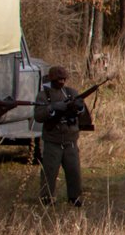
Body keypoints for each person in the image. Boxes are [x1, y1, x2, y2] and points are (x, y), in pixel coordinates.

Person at [33, 64, 87, 207]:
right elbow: (38, 116)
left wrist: (80, 108)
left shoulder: (71, 92)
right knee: (49, 172)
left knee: (74, 171)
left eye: (64, 79)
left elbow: (83, 115)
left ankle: (75, 198)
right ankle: (46, 198)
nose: (62, 82)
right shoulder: (43, 95)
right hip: (52, 140)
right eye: (58, 79)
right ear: (51, 79)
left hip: (70, 140)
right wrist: (51, 109)